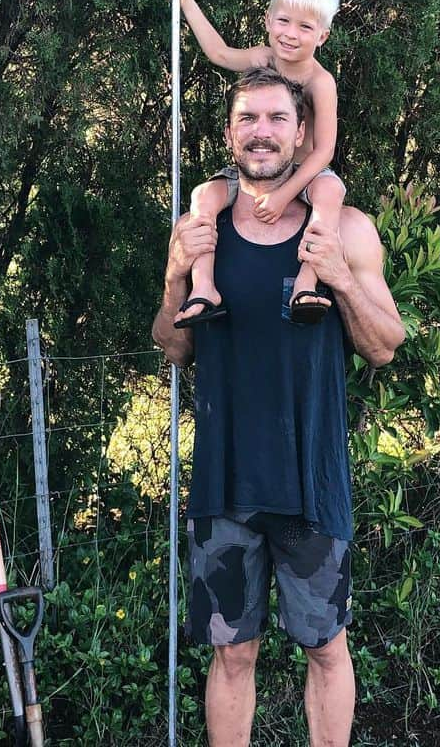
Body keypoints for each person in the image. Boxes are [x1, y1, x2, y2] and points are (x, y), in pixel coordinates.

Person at [152, 66, 405, 747]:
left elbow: (384, 346)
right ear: (230, 133)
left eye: (276, 119)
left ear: (301, 136)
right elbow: (174, 348)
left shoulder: (346, 227)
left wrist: (343, 278)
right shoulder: (201, 226)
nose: (261, 132)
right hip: (224, 485)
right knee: (231, 653)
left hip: (311, 484)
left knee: (325, 648)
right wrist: (178, 274)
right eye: (247, 119)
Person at [165, 0, 345, 328]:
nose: (290, 34)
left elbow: (324, 151)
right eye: (283, 21)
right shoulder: (263, 58)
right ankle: (204, 287)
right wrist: (186, 1)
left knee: (331, 189)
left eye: (305, 27)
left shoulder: (319, 82)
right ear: (267, 19)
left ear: (322, 35)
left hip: (302, 173)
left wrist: (286, 194)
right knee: (203, 196)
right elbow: (217, 52)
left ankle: (307, 283)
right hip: (256, 169)